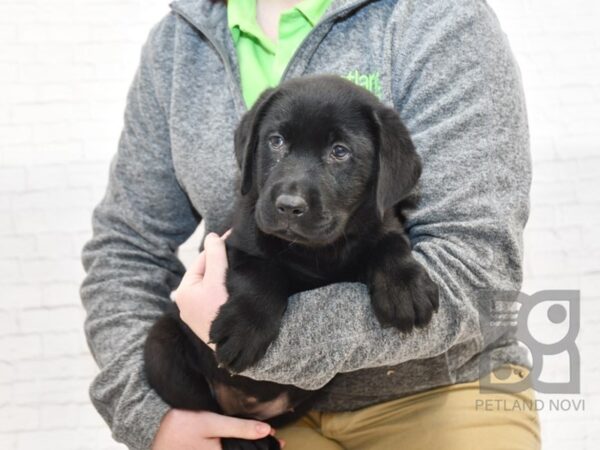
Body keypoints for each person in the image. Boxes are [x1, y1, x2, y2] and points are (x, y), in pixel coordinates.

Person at [80, 0, 541, 448]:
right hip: (242, 410)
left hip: (441, 387)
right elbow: (126, 247)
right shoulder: (180, 41)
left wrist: (279, 340)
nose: (291, 195)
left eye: (339, 152)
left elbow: (479, 261)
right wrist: (154, 419)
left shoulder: (437, 17)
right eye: (276, 142)